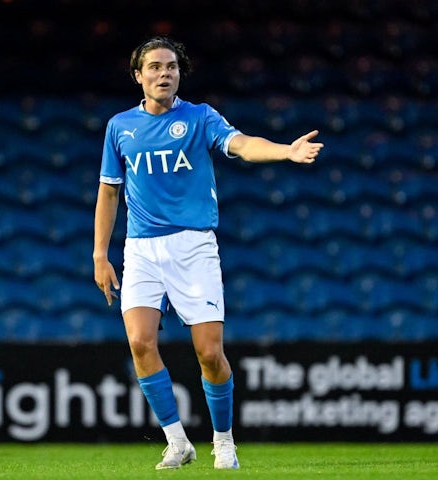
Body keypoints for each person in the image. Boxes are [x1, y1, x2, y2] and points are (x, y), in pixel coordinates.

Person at [93, 36, 324, 470]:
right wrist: (99, 255)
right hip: (141, 249)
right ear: (138, 76)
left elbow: (242, 144)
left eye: (172, 67)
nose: (165, 74)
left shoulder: (199, 118)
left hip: (193, 245)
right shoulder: (119, 127)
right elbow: (108, 193)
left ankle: (223, 441)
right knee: (141, 343)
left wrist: (285, 152)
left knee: (209, 353)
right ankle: (177, 441)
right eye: (156, 67)